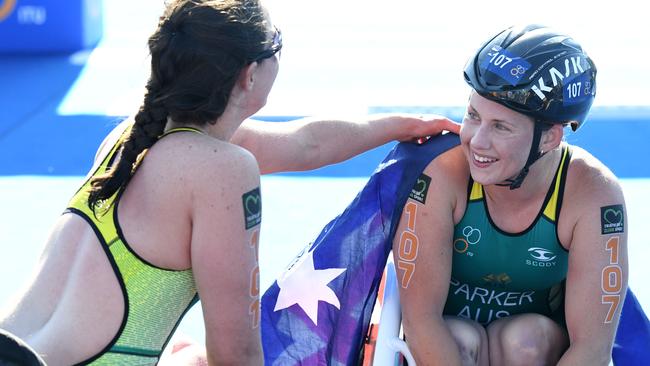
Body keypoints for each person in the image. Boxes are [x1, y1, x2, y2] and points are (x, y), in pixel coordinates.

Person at [0, 0, 459, 365]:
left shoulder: (134, 136)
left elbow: (305, 145)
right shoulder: (223, 171)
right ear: (249, 74)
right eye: (277, 41)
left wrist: (399, 126)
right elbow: (236, 354)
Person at [392, 24, 627, 365]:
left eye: (500, 127)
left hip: (532, 349)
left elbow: (591, 349)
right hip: (451, 343)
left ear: (549, 138)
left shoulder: (594, 193)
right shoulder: (442, 172)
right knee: (459, 336)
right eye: (473, 115)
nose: (477, 141)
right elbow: (420, 322)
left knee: (526, 340)